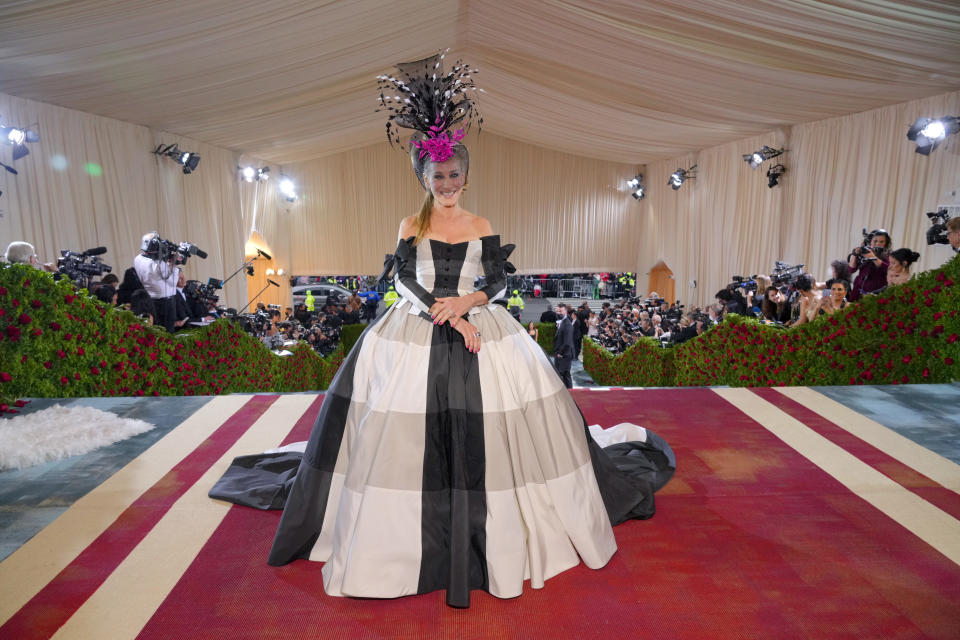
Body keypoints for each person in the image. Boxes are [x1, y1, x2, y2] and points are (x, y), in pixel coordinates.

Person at [212, 54, 673, 610]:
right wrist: (450, 314)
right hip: (417, 322)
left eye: (455, 175)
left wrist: (470, 304)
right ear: (423, 178)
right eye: (439, 176)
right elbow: (403, 278)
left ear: (466, 176)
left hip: (484, 322)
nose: (448, 183)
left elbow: (501, 281)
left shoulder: (481, 225)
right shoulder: (412, 224)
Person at [847, 229, 890, 302]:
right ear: (870, 241)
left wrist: (873, 257)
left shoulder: (888, 255)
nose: (878, 244)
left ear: (886, 243)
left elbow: (888, 269)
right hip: (858, 291)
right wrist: (855, 254)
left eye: (881, 242)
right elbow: (851, 269)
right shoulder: (865, 251)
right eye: (875, 241)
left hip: (876, 294)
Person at [554, 304, 575, 388]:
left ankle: (570, 394)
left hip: (564, 355)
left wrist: (560, 353)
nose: (558, 313)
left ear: (565, 312)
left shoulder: (567, 325)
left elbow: (567, 342)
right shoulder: (562, 322)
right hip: (561, 354)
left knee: (564, 376)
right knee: (564, 376)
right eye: (557, 311)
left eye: (560, 311)